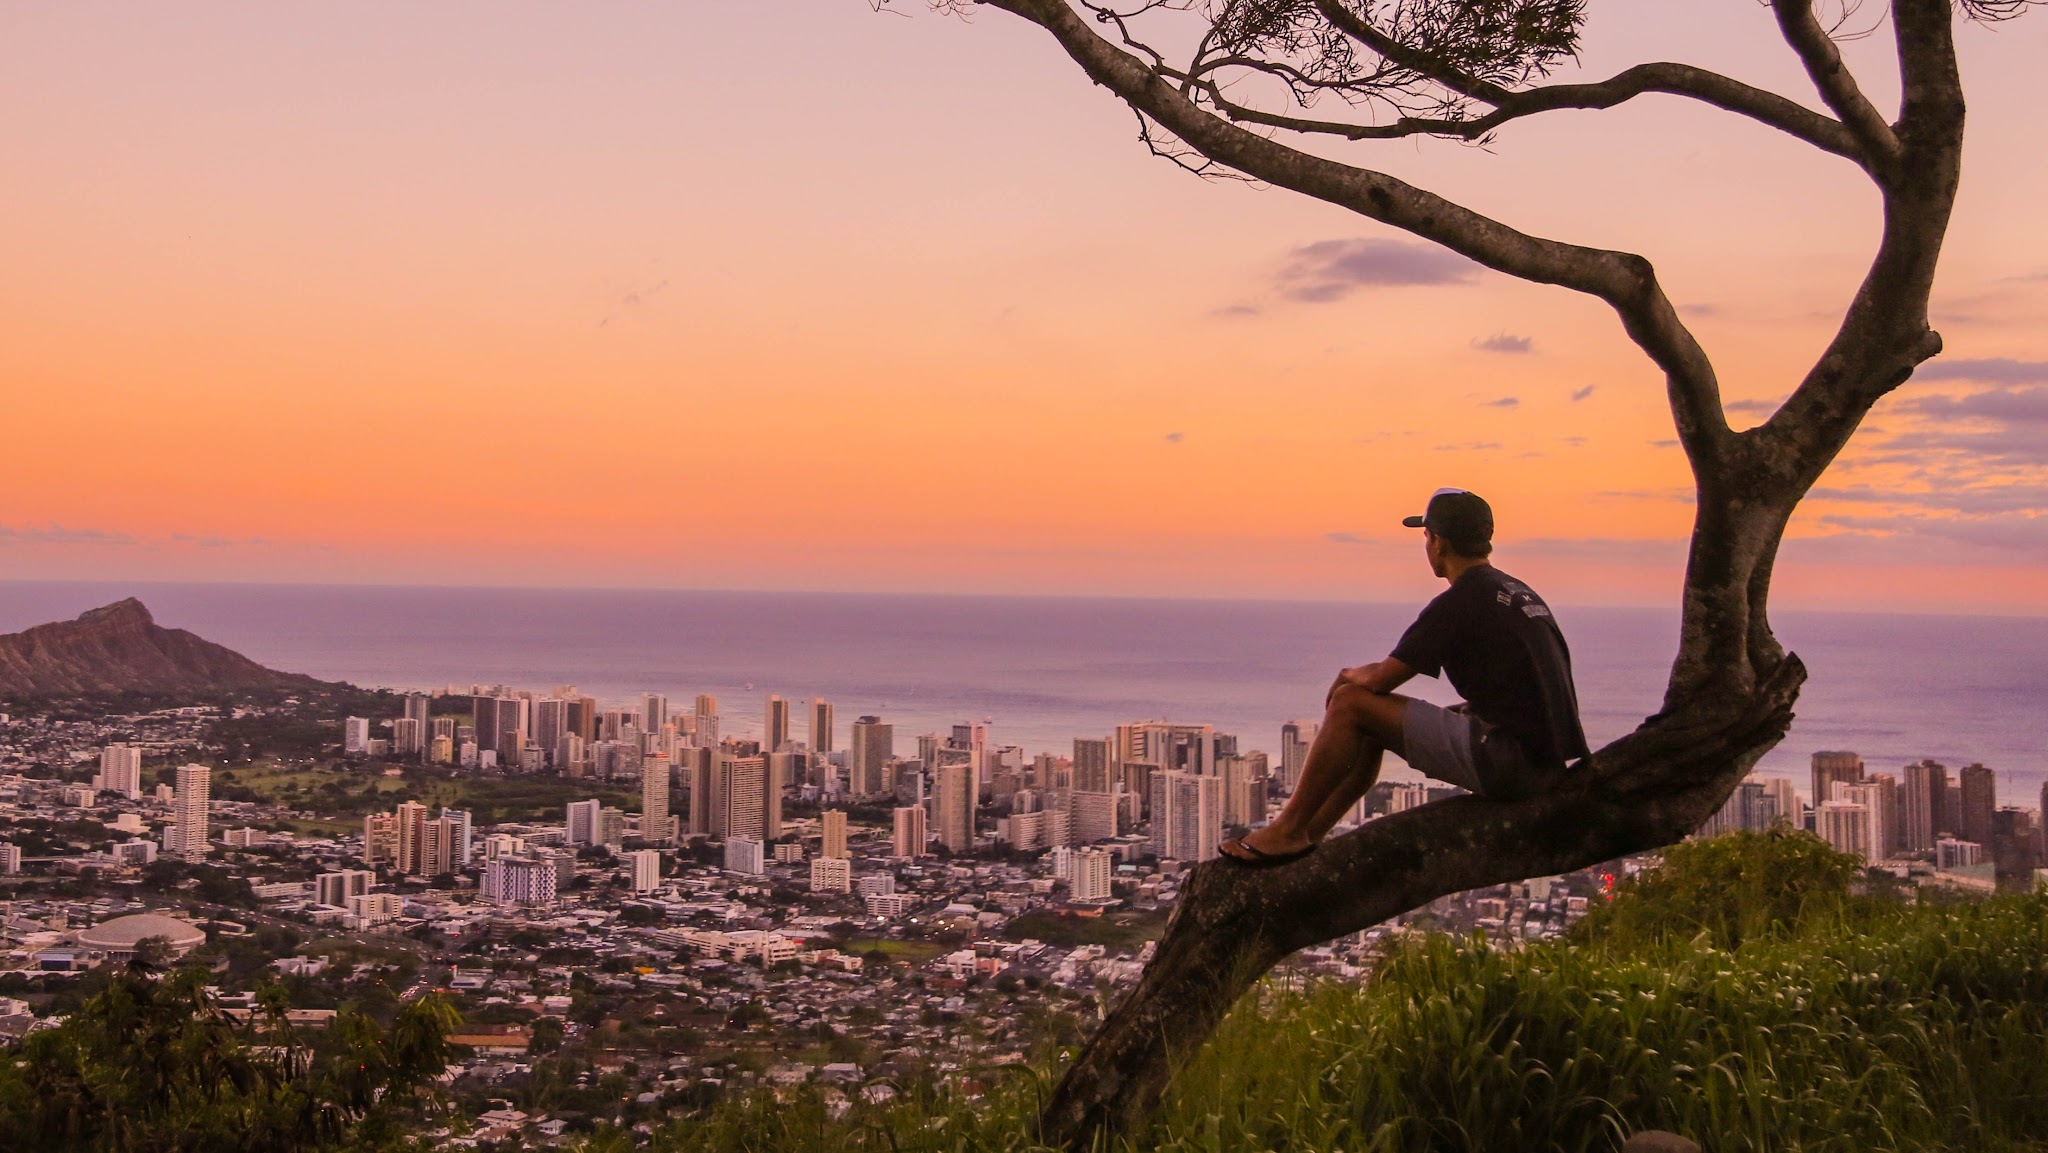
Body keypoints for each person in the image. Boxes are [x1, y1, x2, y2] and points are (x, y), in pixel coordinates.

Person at [1220, 487, 1589, 865]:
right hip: (1545, 764)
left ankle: (1288, 830)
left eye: (1426, 536)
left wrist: (1346, 676)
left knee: (1352, 706)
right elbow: (1527, 691)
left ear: (1438, 544)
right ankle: (1308, 835)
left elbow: (1381, 679)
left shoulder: (1461, 602)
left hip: (1508, 765)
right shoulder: (1517, 592)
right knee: (1371, 720)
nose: (1426, 545)